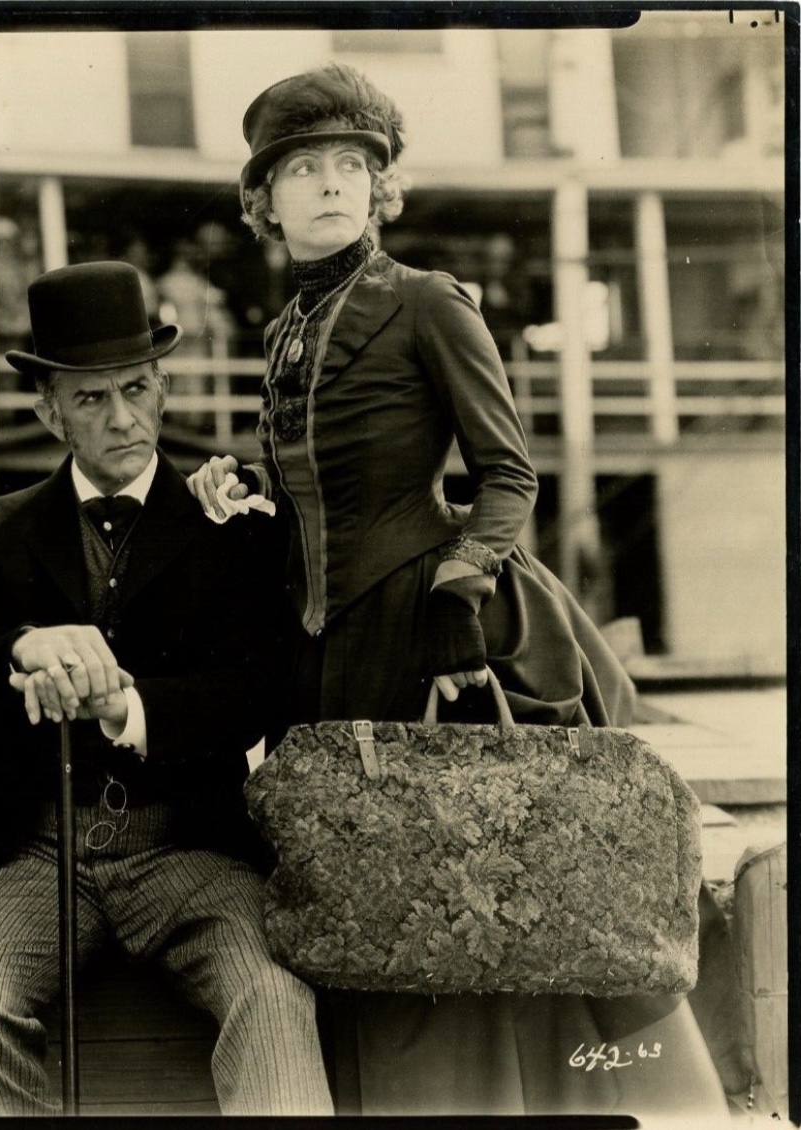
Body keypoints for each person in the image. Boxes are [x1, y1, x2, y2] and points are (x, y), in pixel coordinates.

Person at [186, 64, 730, 1119]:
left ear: (382, 186)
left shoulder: (426, 301)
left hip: (443, 629)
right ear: (266, 199)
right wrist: (247, 486)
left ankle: (629, 1108)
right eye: (304, 168)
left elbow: (508, 472)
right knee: (381, 902)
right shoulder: (285, 332)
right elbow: (323, 485)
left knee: (517, 880)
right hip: (332, 655)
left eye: (353, 164)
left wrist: (462, 587)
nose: (332, 184)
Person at [0, 262, 333, 1116]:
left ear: (164, 387)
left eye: (136, 389)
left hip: (191, 851)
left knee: (273, 994)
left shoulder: (225, 522)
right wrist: (26, 647)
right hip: (45, 854)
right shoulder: (2, 527)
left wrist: (126, 706)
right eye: (91, 399)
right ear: (50, 412)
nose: (122, 418)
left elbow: (256, 689)